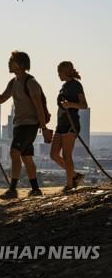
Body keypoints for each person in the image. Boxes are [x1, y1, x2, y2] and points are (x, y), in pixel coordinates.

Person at [0, 51, 50, 199]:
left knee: (14, 153)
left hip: (29, 125)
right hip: (19, 125)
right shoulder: (14, 82)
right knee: (26, 157)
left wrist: (44, 128)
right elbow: (1, 99)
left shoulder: (31, 83)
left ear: (21, 64)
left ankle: (12, 189)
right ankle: (35, 189)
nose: (9, 63)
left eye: (12, 61)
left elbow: (39, 107)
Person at [50, 61, 87, 192]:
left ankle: (70, 185)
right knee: (54, 154)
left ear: (64, 72)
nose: (57, 74)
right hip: (61, 124)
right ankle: (74, 175)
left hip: (71, 124)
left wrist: (70, 104)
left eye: (59, 72)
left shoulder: (76, 85)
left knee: (66, 155)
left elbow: (84, 105)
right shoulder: (63, 86)